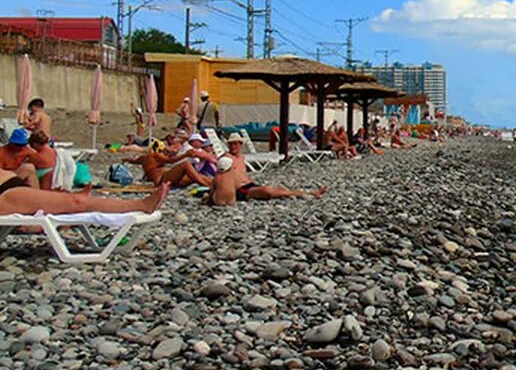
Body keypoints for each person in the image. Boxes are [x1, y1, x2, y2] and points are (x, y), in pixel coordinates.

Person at [208, 134, 326, 206]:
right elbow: (220, 178)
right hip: (240, 190)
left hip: (249, 185)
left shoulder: (242, 157)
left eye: (235, 144)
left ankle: (305, 193)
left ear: (240, 145)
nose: (233, 146)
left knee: (279, 189)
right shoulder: (226, 158)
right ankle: (307, 194)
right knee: (269, 191)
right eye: (231, 144)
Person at [0, 180, 168, 217]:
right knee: (78, 203)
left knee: (75, 201)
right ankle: (141, 204)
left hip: (12, 192)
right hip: (9, 196)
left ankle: (142, 204)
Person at [124, 142, 211, 188]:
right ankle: (206, 184)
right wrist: (185, 155)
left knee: (196, 176)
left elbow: (134, 161)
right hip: (162, 180)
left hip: (164, 178)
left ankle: (213, 184)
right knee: (186, 165)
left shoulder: (144, 158)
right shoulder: (155, 156)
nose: (165, 153)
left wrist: (126, 160)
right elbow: (171, 160)